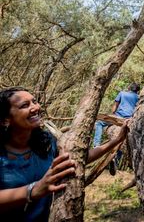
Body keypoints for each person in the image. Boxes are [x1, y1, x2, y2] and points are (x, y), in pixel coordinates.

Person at [0, 87, 130, 221]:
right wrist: (32, 191)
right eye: (24, 105)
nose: (35, 107)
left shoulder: (46, 142)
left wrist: (117, 140)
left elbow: (79, 159)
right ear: (5, 120)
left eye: (34, 101)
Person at [93, 82, 140, 148]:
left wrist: (112, 114)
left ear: (129, 88)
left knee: (99, 123)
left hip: (118, 117)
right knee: (123, 138)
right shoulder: (138, 97)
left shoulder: (122, 93)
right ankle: (117, 157)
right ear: (137, 90)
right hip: (128, 120)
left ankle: (96, 144)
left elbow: (115, 105)